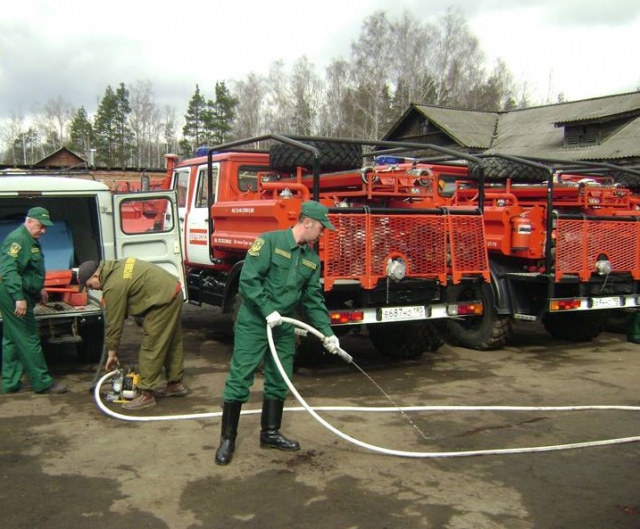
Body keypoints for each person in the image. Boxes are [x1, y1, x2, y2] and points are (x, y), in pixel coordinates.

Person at [215, 200, 341, 466]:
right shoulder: (270, 242)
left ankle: (270, 433)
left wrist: (327, 332)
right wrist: (266, 309)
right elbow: (249, 279)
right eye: (320, 228)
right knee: (240, 377)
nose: (322, 234)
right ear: (307, 223)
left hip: (284, 325)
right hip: (255, 322)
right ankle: (228, 439)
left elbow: (313, 299)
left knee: (280, 377)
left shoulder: (310, 260)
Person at [77, 258, 188, 410]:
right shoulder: (115, 266)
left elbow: (114, 323)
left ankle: (146, 394)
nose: (92, 289)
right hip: (172, 291)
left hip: (163, 300)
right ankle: (175, 384)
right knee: (171, 341)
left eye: (90, 286)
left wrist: (112, 352)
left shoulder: (112, 286)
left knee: (152, 346)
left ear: (96, 276)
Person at [0, 207, 68, 394]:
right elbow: (8, 271)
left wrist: (40, 287)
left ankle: (10, 383)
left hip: (23, 293)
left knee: (12, 339)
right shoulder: (17, 240)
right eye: (40, 226)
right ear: (29, 221)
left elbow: (30, 269)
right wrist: (18, 298)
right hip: (13, 294)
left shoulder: (30, 239)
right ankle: (42, 382)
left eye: (45, 227)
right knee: (29, 337)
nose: (43, 231)